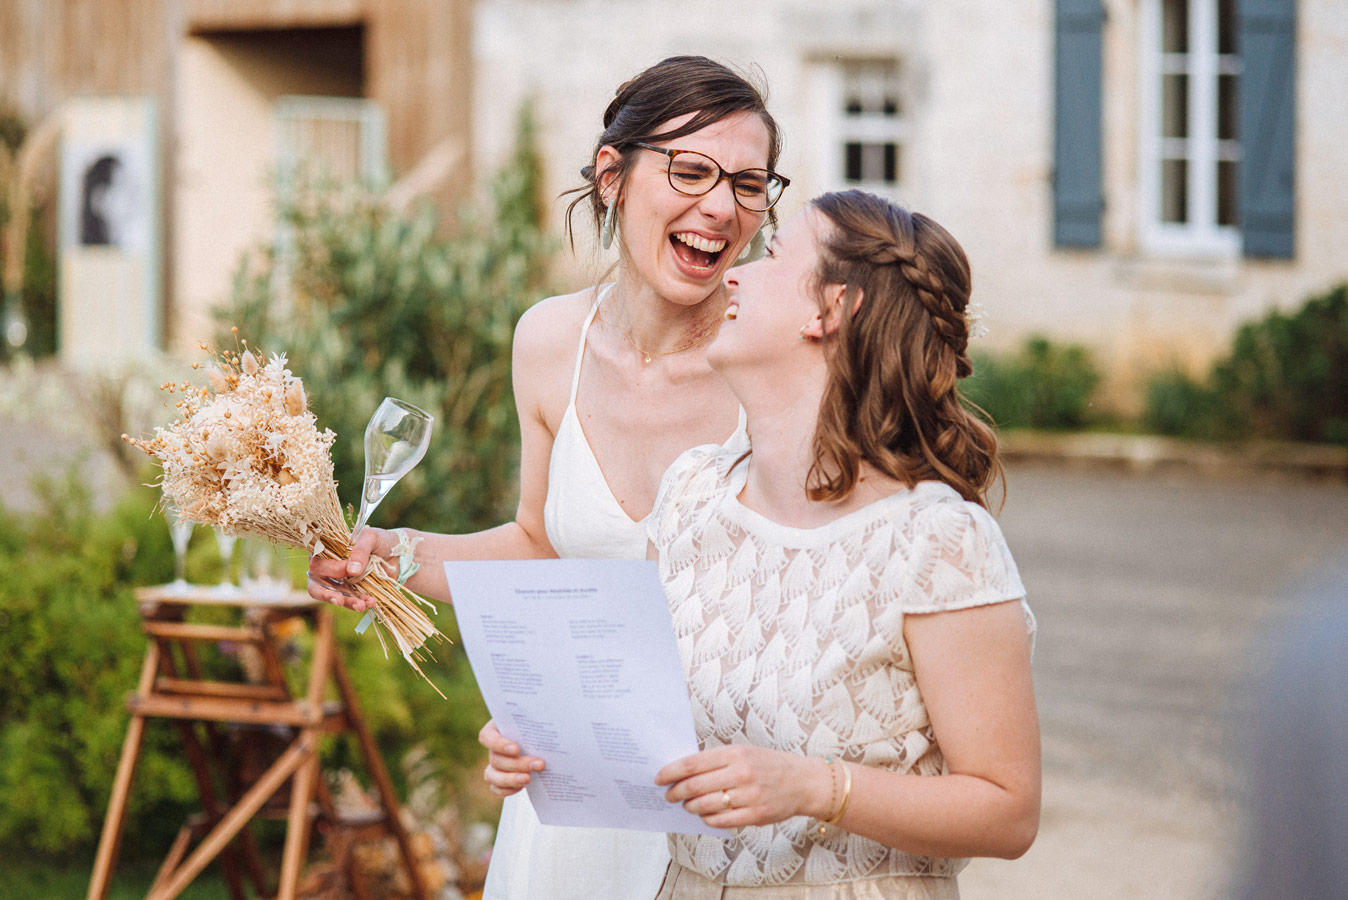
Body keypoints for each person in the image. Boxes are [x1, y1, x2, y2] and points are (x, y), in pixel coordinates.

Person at [307, 55, 790, 900]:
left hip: (734, 803)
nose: (721, 208)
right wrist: (387, 553)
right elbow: (539, 545)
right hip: (577, 803)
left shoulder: (778, 360)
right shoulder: (547, 343)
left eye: (749, 184)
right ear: (613, 175)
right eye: (690, 171)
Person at [643, 190, 1041, 897]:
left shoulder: (937, 541)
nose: (732, 272)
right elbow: (643, 714)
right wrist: (554, 745)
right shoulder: (691, 497)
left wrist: (819, 787)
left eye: (770, 255)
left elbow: (1008, 810)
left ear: (831, 309)